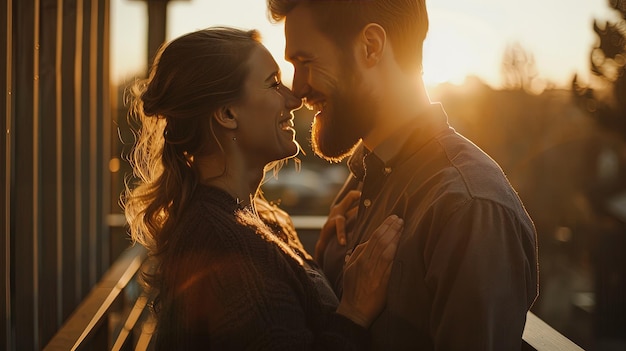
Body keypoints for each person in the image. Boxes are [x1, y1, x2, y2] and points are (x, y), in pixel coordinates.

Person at [266, 0, 539, 349]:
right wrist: (319, 264)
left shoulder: (469, 207)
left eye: (305, 62)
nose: (298, 89)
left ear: (371, 47)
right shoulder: (364, 175)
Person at [123, 27, 404, 350]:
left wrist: (320, 262)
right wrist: (354, 313)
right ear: (228, 114)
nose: (294, 99)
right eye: (273, 84)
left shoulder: (255, 220)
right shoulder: (228, 246)